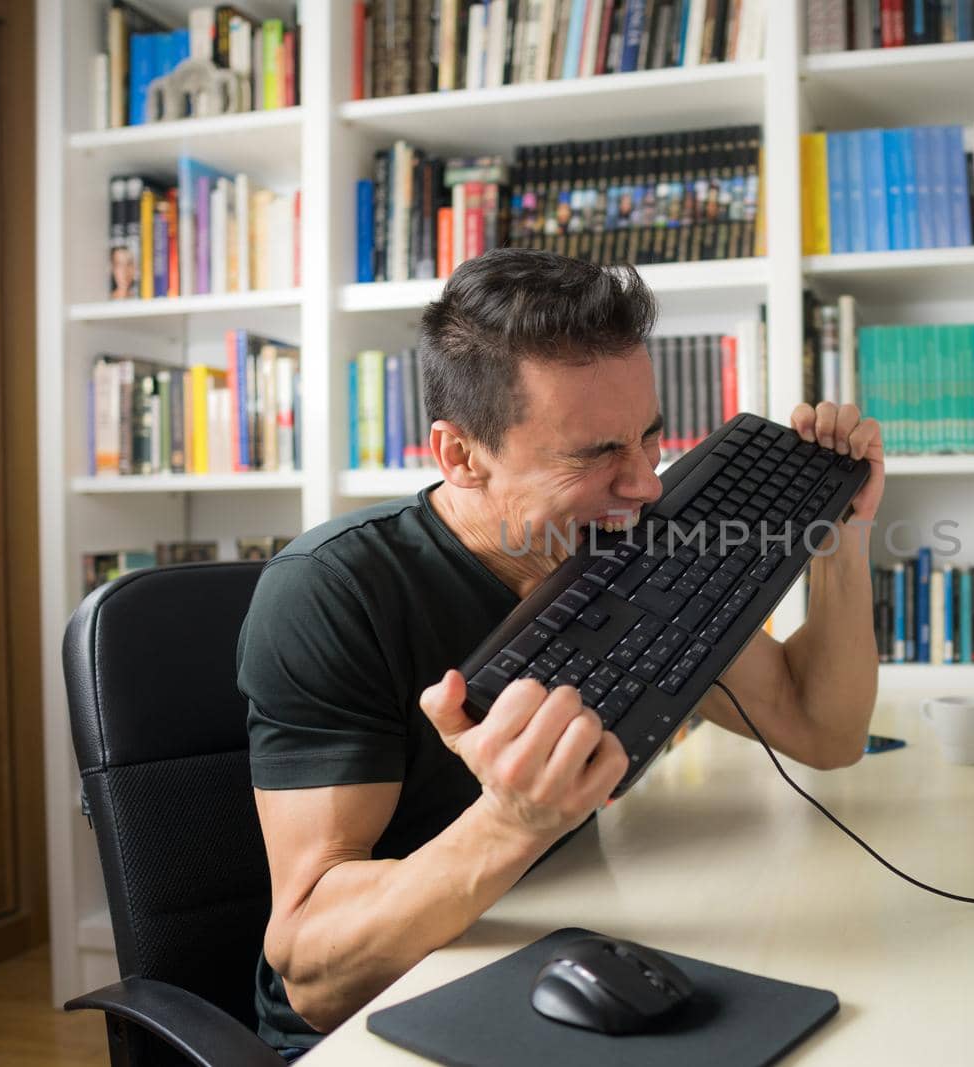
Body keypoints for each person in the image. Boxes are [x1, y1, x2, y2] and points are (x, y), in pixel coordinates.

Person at [238, 248, 887, 1056]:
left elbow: (823, 730)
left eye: (649, 438)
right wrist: (513, 823)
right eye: (595, 454)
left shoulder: (635, 540)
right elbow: (308, 967)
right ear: (460, 456)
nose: (647, 484)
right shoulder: (333, 591)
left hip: (557, 950)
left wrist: (842, 531)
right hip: (372, 1030)